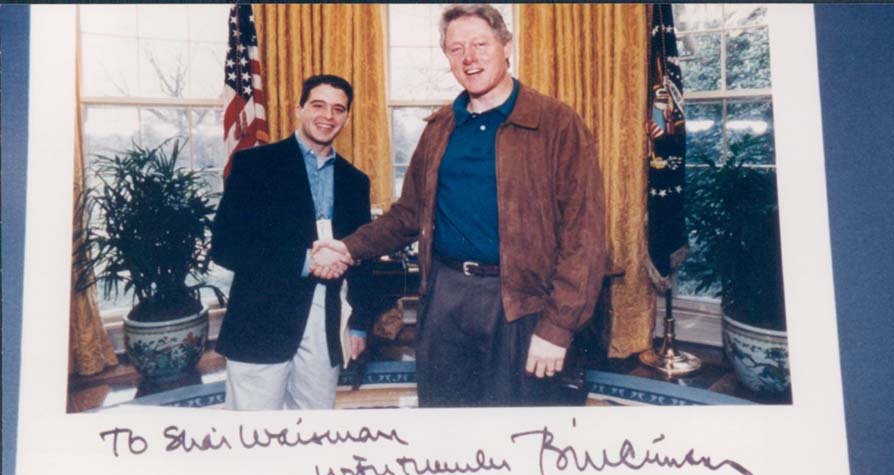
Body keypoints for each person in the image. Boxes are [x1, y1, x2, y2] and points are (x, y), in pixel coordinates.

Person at [314, 4, 606, 407]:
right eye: (456, 49)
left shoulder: (556, 124)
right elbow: (406, 216)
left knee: (519, 433)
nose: (469, 58)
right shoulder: (438, 130)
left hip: (522, 303)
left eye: (480, 44)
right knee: (446, 429)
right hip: (445, 298)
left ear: (506, 46)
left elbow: (584, 235)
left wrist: (558, 327)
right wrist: (347, 248)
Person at [211, 74, 374, 410]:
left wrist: (358, 324)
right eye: (318, 105)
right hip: (261, 318)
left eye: (338, 109)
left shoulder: (355, 181)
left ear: (347, 117)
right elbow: (226, 245)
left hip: (326, 318)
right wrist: (304, 261)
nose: (328, 116)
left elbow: (364, 260)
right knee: (252, 433)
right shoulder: (254, 165)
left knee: (313, 427)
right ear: (299, 109)